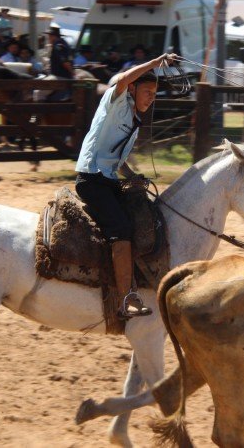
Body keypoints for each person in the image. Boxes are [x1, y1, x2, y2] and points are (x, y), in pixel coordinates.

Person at [74, 53, 177, 319]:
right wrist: (156, 62)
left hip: (108, 179)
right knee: (121, 230)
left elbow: (118, 161)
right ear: (133, 89)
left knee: (143, 217)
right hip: (91, 179)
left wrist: (132, 175)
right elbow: (122, 79)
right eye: (147, 91)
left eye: (154, 93)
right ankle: (125, 299)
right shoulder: (116, 100)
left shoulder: (134, 120)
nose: (151, 97)